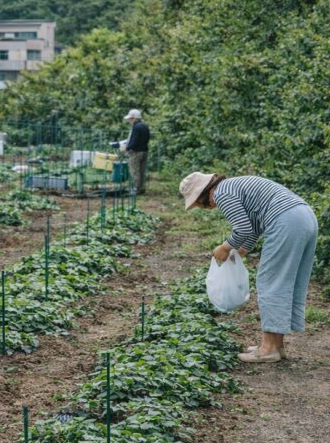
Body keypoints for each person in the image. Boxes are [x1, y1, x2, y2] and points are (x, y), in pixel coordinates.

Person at [180, 172, 318, 363]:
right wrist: (244, 248)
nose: (205, 208)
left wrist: (225, 246)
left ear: (204, 194)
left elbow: (243, 228)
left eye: (199, 204)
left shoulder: (221, 193)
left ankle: (268, 349)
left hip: (286, 221)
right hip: (304, 217)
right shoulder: (233, 185)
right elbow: (254, 224)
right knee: (284, 282)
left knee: (270, 282)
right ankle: (276, 346)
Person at [117, 109, 151, 195]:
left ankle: (136, 189)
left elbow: (134, 141)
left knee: (134, 171)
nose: (129, 120)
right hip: (144, 151)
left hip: (135, 152)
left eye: (130, 119)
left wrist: (126, 148)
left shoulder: (135, 127)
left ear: (135, 118)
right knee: (142, 171)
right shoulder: (144, 126)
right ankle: (141, 188)